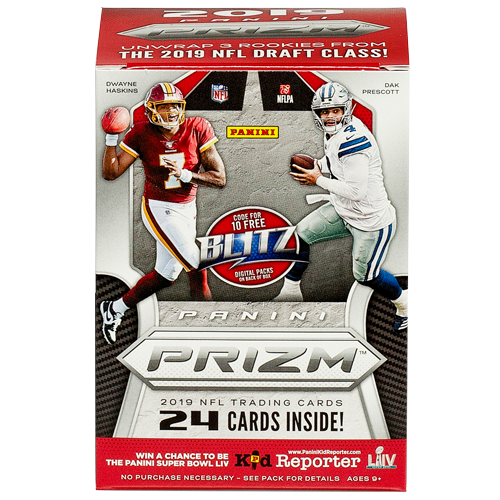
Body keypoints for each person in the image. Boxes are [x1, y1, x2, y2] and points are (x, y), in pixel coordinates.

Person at [274, 81, 409, 331]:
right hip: (343, 209)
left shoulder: (353, 141)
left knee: (366, 276)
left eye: (335, 110)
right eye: (324, 111)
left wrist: (317, 179)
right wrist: (318, 165)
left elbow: (357, 192)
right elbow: (335, 160)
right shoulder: (334, 133)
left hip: (370, 221)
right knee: (299, 236)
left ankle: (404, 302)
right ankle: (291, 291)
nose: (329, 116)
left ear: (346, 110)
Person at [100, 82, 226, 344]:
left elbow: (219, 178)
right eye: (164, 107)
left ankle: (114, 309)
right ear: (151, 110)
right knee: (197, 264)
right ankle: (210, 332)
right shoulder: (141, 133)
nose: (171, 112)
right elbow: (111, 172)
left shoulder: (198, 127)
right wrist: (111, 138)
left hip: (187, 208)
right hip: (159, 207)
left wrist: (186, 175)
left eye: (175, 106)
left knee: (165, 276)